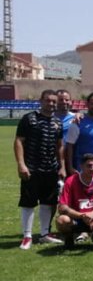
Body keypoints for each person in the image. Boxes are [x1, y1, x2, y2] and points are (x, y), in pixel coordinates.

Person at [14, 89, 66, 248]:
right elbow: (18, 142)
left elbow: (59, 147)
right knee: (28, 203)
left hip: (50, 170)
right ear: (41, 101)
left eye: (53, 101)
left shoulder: (58, 123)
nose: (51, 104)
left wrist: (62, 167)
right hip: (31, 169)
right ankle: (27, 236)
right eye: (48, 100)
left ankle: (44, 234)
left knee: (47, 202)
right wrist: (21, 164)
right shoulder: (29, 119)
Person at [56, 153, 93, 249]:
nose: (92, 168)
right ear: (81, 166)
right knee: (62, 220)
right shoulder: (70, 181)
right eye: (89, 166)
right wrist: (82, 216)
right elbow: (62, 207)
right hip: (76, 219)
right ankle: (69, 239)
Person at [65, 92, 93, 179]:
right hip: (84, 165)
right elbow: (69, 145)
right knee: (84, 191)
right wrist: (70, 166)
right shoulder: (77, 122)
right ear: (87, 104)